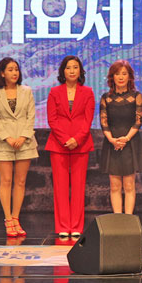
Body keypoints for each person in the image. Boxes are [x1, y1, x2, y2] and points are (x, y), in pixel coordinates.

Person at [45, 55, 95, 237]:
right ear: (63, 71)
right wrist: (65, 139)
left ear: (80, 71)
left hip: (81, 145)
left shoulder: (88, 92)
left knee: (79, 187)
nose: (72, 71)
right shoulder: (54, 92)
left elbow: (88, 119)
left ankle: (76, 226)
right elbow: (52, 119)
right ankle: (62, 226)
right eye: (68, 67)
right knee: (60, 187)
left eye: (75, 67)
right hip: (59, 144)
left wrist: (77, 139)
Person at [0, 58, 38, 237]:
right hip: (3, 142)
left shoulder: (27, 91)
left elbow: (30, 116)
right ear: (2, 73)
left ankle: (16, 218)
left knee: (20, 181)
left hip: (25, 141)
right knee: (6, 180)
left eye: (16, 69)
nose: (14, 73)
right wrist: (7, 137)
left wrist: (24, 136)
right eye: (10, 70)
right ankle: (8, 219)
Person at [100, 60, 142, 214]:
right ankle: (117, 219)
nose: (120, 77)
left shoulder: (136, 96)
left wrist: (126, 139)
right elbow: (104, 122)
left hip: (130, 142)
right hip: (112, 143)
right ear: (112, 77)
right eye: (117, 74)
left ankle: (128, 219)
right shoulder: (106, 98)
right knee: (114, 186)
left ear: (129, 77)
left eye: (124, 74)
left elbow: (138, 121)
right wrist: (112, 140)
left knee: (129, 185)